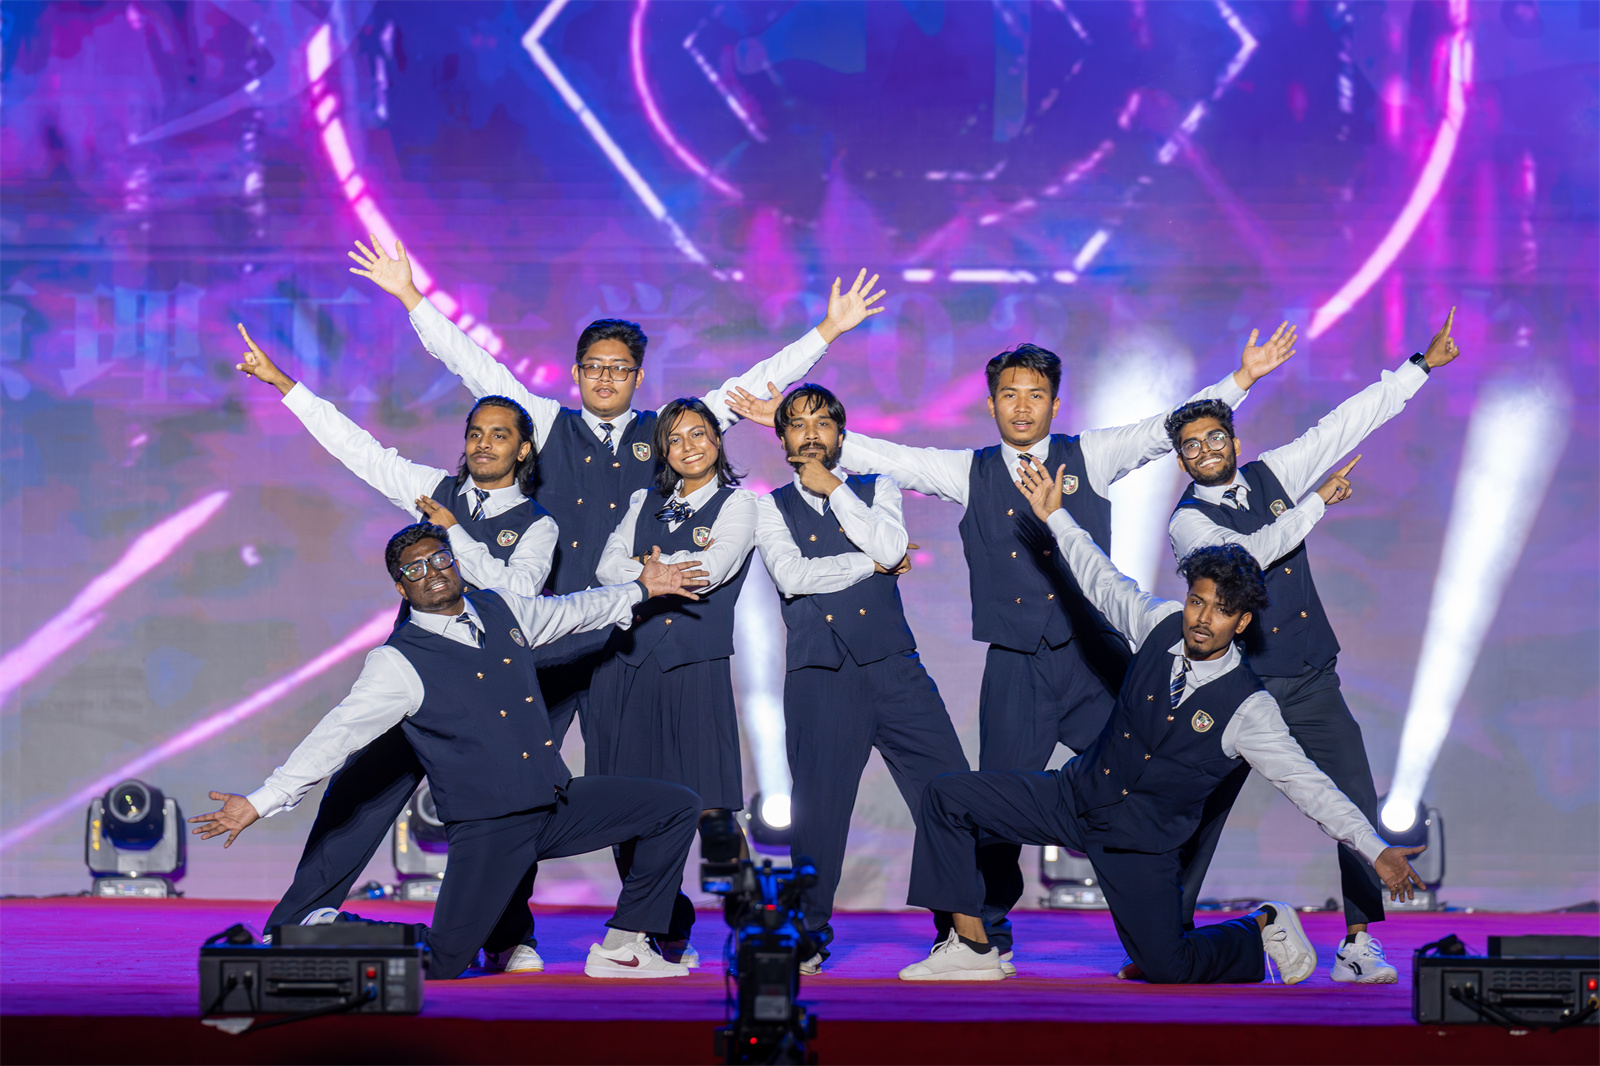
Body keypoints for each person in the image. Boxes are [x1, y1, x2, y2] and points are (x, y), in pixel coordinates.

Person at [729, 327, 1299, 956]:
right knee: (994, 804)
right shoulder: (968, 470)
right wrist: (800, 430)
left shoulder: (1092, 454)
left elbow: (1169, 428)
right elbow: (892, 457)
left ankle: (1172, 922)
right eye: (1009, 394)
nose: (1022, 406)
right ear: (991, 403)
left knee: (1161, 779)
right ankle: (987, 938)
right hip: (1015, 668)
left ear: (1055, 402)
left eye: (1035, 394)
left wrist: (1242, 380)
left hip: (1095, 662)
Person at [895, 462, 1427, 983]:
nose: (1202, 618)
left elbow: (1308, 785)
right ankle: (972, 945)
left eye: (1220, 610)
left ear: (1242, 621)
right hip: (1073, 798)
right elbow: (1100, 578)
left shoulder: (1249, 709)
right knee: (947, 796)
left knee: (1168, 968)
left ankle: (1261, 927)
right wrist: (1056, 515)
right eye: (1197, 601)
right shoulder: (1159, 624)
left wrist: (1374, 849)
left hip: (1139, 843)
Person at [349, 235, 884, 742]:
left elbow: (746, 388)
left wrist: (827, 330)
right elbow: (472, 364)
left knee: (626, 778)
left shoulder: (668, 430)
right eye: (594, 368)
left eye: (619, 369)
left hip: (628, 637)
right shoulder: (545, 422)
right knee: (518, 769)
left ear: (638, 377)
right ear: (576, 372)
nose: (605, 378)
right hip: (546, 634)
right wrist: (410, 295)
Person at [189, 523, 712, 980]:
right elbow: (336, 736)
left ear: (455, 564)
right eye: (414, 569)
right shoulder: (397, 663)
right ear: (401, 587)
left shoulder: (502, 608)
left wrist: (641, 587)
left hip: (554, 804)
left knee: (675, 806)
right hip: (490, 828)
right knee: (443, 960)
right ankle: (323, 929)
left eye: (439, 559)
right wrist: (260, 801)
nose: (432, 572)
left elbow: (573, 610)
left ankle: (624, 945)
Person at [1160, 308, 1463, 983]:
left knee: (1354, 800)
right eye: (1192, 446)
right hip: (1238, 686)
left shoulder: (1270, 475)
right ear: (1180, 458)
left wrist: (1419, 367)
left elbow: (1341, 426)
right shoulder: (1187, 523)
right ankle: (1164, 935)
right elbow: (1248, 556)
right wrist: (1318, 503)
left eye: (1215, 438)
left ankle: (1357, 941)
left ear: (1233, 440)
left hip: (1309, 677)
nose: (1206, 451)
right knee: (1198, 812)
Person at [752, 384, 973, 975]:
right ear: (782, 439)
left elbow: (892, 544)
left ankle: (964, 930)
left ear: (840, 436)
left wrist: (837, 491)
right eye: (797, 424)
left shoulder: (876, 487)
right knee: (818, 813)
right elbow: (793, 576)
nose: (810, 434)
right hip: (820, 675)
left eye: (822, 423)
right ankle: (806, 934)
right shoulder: (769, 506)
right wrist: (869, 564)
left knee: (947, 791)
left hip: (893, 666)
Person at [589, 397, 759, 964]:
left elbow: (712, 569)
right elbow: (605, 567)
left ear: (718, 440)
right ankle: (662, 924)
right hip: (626, 663)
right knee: (625, 806)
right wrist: (651, 570)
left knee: (712, 807)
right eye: (676, 438)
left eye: (699, 433)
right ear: (663, 450)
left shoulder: (739, 505)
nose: (689, 446)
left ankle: (750, 922)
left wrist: (645, 570)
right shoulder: (644, 501)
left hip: (694, 665)